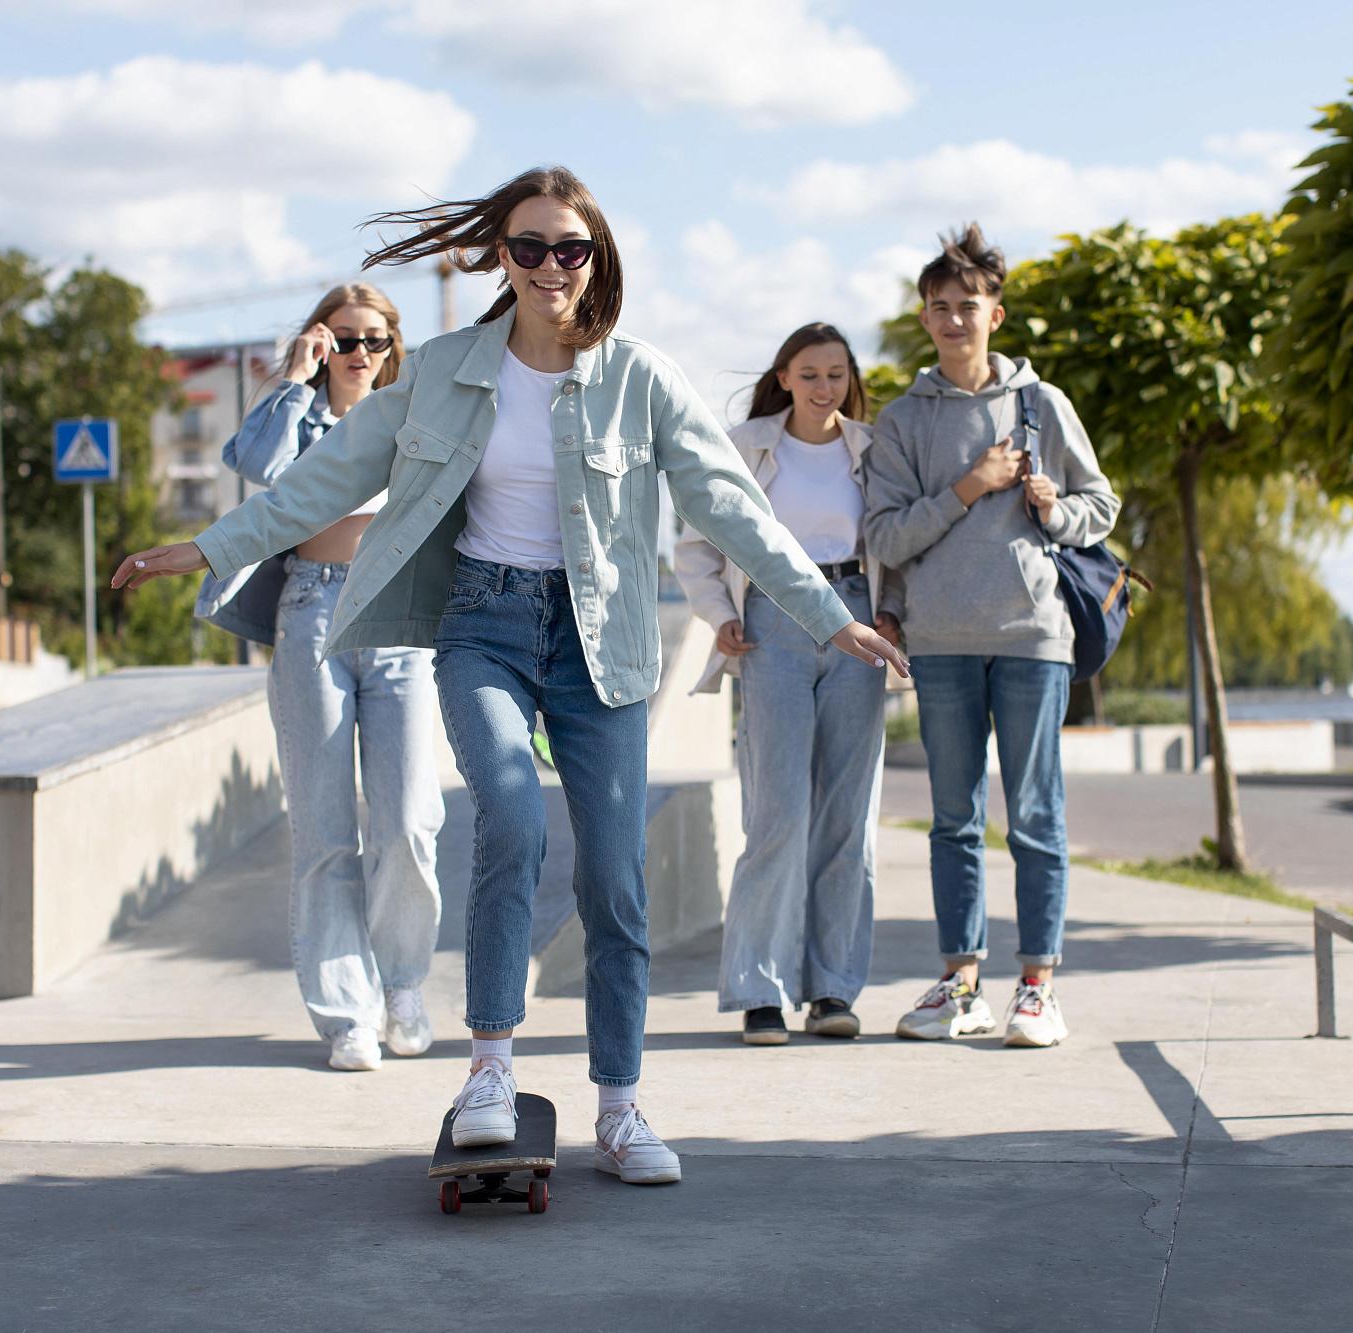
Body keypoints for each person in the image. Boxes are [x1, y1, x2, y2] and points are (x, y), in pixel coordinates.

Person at [113, 165, 906, 1185]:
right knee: (512, 822)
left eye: (566, 248)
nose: (546, 266)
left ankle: (618, 1106)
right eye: (526, 247)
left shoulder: (640, 379)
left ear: (595, 259)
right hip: (482, 625)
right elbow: (324, 475)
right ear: (501, 255)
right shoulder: (440, 370)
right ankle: (488, 1070)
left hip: (601, 644)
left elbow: (733, 511)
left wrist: (827, 617)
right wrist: (208, 548)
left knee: (614, 880)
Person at [860, 224, 1119, 1048]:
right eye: (937, 307)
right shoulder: (903, 421)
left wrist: (1052, 506)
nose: (951, 320)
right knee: (953, 819)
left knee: (1036, 815)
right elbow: (886, 538)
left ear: (995, 315)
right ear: (924, 317)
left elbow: (1099, 508)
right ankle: (959, 983)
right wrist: (970, 487)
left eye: (966, 306)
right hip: (937, 640)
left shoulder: (1041, 406)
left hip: (1032, 634)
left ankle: (1037, 986)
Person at [197, 284, 445, 1074]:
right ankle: (347, 1013)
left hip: (399, 616)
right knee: (324, 825)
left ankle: (403, 984)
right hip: (311, 611)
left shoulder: (414, 413)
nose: (359, 353)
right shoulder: (299, 415)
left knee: (407, 820)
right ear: (320, 340)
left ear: (392, 346)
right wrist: (291, 380)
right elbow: (258, 469)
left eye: (373, 339)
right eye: (344, 338)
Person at [674, 323, 903, 1047]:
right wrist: (719, 616)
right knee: (776, 813)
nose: (823, 387)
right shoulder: (745, 447)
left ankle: (833, 988)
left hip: (857, 622)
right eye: (809, 373)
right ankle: (759, 991)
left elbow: (893, 542)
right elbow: (695, 547)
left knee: (847, 815)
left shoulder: (873, 449)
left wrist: (891, 613)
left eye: (835, 373)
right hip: (772, 622)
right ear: (783, 375)